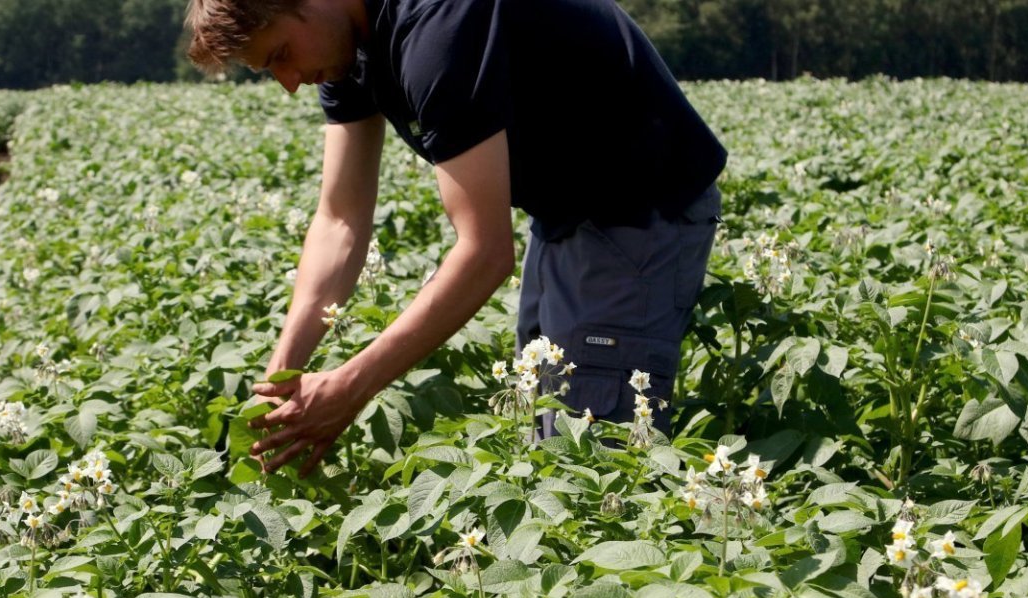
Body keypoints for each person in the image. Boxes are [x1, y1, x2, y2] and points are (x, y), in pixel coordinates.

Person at [183, 0, 727, 477]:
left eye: (279, 54)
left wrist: (349, 387)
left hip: (640, 209)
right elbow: (341, 219)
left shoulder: (437, 24)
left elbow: (485, 252)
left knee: (594, 460)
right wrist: (282, 374)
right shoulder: (348, 44)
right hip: (564, 213)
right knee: (552, 430)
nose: (289, 81)